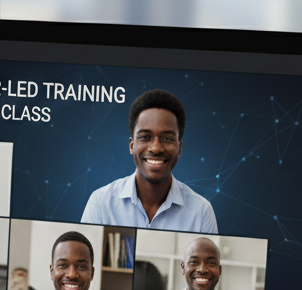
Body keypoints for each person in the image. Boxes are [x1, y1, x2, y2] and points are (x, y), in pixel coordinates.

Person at [81, 89, 217, 232]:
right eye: (145, 137)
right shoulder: (101, 203)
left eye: (167, 139)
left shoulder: (201, 212)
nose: (156, 148)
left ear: (180, 148)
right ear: (131, 146)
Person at [150, 236, 250, 290]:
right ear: (183, 267)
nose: (202, 269)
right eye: (194, 261)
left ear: (219, 270)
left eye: (211, 263)